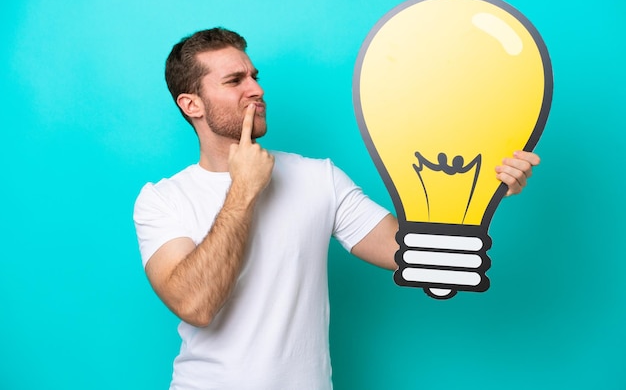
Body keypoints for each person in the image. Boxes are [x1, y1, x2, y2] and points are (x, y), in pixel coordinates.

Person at [133, 27, 540, 390]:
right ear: (192, 105)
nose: (255, 89)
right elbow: (195, 305)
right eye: (234, 81)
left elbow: (407, 252)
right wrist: (243, 191)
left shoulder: (317, 177)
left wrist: (482, 196)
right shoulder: (163, 199)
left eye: (254, 77)